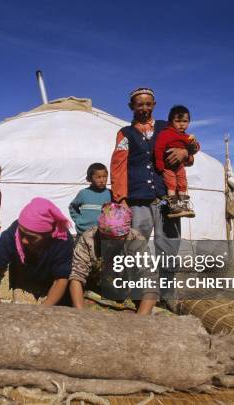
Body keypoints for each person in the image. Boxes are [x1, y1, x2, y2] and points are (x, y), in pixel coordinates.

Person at [110, 87, 185, 298]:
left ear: (154, 105)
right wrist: (121, 198)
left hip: (168, 199)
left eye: (148, 104)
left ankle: (167, 294)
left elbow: (186, 148)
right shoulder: (125, 134)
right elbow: (118, 166)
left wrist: (184, 151)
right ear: (131, 107)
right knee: (136, 248)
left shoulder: (166, 127)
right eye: (139, 104)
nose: (144, 108)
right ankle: (138, 294)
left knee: (169, 246)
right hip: (138, 201)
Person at [69, 203, 157, 314]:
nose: (109, 243)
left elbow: (150, 281)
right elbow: (76, 277)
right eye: (104, 237)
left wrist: (140, 319)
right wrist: (81, 315)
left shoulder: (136, 241)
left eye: (115, 240)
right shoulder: (89, 239)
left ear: (125, 235)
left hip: (129, 297)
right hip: (96, 297)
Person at [0, 197, 73, 305]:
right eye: (22, 233)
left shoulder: (62, 240)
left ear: (47, 235)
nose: (24, 240)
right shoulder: (14, 232)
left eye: (31, 237)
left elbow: (60, 280)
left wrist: (42, 312)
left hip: (52, 288)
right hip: (23, 283)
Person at [154, 105, 200, 218]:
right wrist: (159, 163)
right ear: (171, 122)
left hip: (179, 166)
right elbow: (158, 148)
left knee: (182, 183)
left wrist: (194, 147)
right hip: (168, 165)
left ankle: (184, 205)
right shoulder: (166, 134)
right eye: (178, 121)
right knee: (171, 184)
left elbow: (196, 147)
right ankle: (173, 206)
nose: (182, 124)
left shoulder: (186, 137)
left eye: (185, 121)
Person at [68, 163, 112, 237]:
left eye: (105, 177)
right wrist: (78, 220)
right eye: (98, 177)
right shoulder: (83, 193)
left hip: (104, 235)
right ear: (90, 179)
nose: (102, 180)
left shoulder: (110, 194)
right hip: (84, 233)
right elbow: (72, 207)